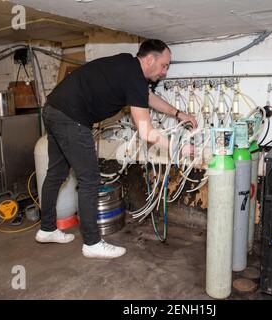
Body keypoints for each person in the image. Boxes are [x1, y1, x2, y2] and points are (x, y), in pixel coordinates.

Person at [35, 39, 197, 259]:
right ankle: (92, 243)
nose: (164, 72)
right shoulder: (134, 77)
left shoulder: (127, 66)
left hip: (54, 109)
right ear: (150, 59)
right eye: (164, 65)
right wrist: (179, 147)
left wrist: (179, 114)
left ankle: (47, 229)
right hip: (72, 117)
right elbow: (146, 132)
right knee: (89, 180)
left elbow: (147, 98)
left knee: (56, 173)